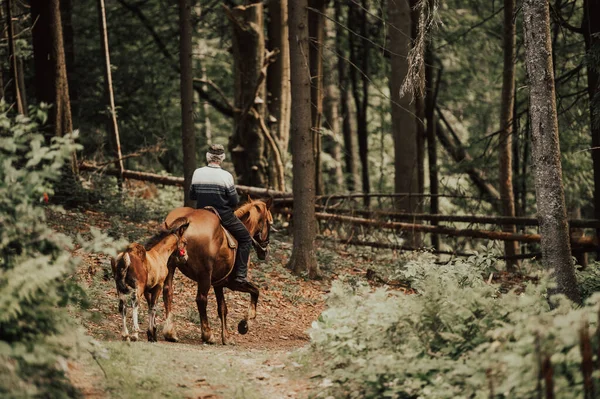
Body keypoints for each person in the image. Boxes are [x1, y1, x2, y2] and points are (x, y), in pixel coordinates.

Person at [189, 144, 252, 285]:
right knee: (246, 238)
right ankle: (240, 275)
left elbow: (192, 195)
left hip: (201, 214)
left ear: (208, 156)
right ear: (222, 158)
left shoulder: (197, 172)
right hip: (222, 214)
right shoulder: (226, 176)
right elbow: (234, 200)